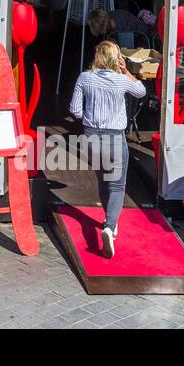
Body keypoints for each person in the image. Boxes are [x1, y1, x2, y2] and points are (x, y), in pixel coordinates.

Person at [69, 40, 146, 258]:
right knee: (118, 185)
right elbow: (141, 91)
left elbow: (74, 110)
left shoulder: (84, 78)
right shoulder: (121, 81)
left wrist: (89, 119)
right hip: (114, 138)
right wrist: (126, 71)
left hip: (91, 136)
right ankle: (110, 227)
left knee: (102, 179)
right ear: (116, 59)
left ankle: (109, 221)